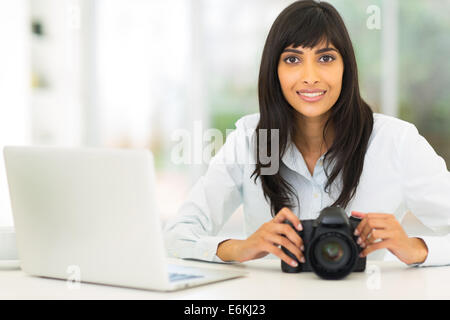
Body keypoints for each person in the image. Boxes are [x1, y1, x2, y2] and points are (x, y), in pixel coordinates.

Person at [163, 0, 450, 268]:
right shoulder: (252, 140)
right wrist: (239, 248)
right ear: (273, 70)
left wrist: (417, 249)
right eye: (292, 60)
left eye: (325, 58)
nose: (310, 76)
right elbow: (178, 235)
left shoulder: (395, 142)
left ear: (345, 68)